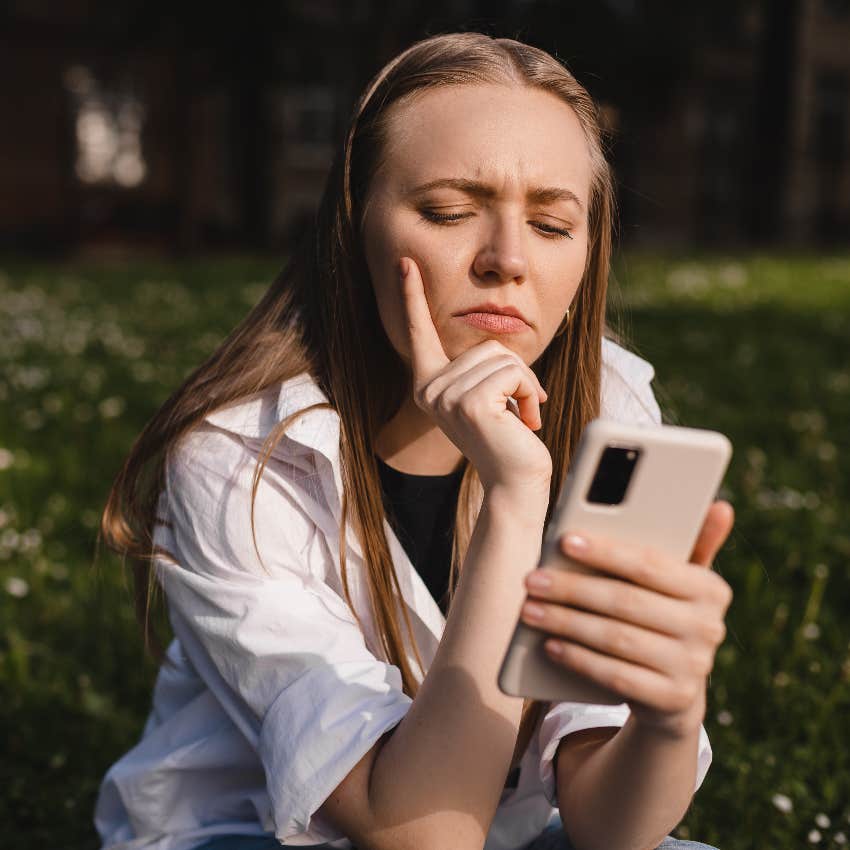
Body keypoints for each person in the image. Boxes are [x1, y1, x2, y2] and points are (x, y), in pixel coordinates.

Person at [94, 31, 734, 850]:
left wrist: (667, 713)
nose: (507, 261)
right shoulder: (239, 459)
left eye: (550, 224)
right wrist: (515, 496)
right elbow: (422, 837)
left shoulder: (614, 411)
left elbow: (612, 830)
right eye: (449, 212)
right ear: (356, 225)